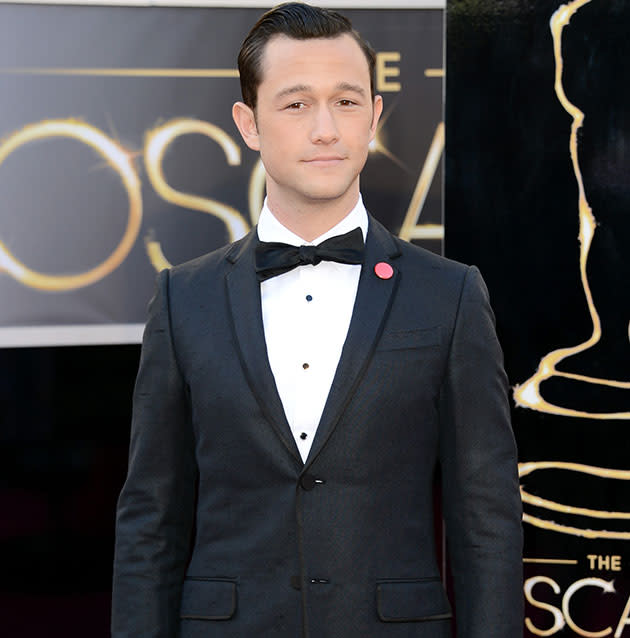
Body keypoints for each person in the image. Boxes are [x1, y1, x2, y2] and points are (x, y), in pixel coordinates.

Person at [111, 3, 523, 637]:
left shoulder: (451, 295)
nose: (326, 129)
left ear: (375, 117)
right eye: (296, 104)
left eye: (347, 102)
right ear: (248, 124)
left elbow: (486, 519)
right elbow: (151, 521)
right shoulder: (182, 299)